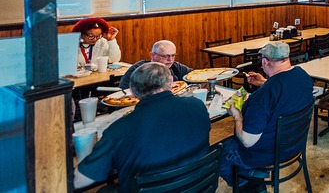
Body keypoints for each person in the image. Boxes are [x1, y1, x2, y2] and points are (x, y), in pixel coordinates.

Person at [74, 62, 210, 191]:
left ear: (132, 92)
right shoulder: (197, 105)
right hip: (199, 186)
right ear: (170, 82)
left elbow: (80, 180)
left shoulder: (118, 130)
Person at [219, 42, 314, 187]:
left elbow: (247, 141)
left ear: (265, 61)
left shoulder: (262, 97)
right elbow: (285, 92)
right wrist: (265, 82)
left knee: (217, 154)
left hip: (267, 153)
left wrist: (236, 115)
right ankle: (252, 176)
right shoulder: (303, 76)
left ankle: (247, 184)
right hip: (294, 144)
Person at [118, 40, 193, 90]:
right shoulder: (138, 70)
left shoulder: (177, 67)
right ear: (152, 55)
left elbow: (194, 77)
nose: (170, 60)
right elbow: (124, 90)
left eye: (173, 55)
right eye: (165, 56)